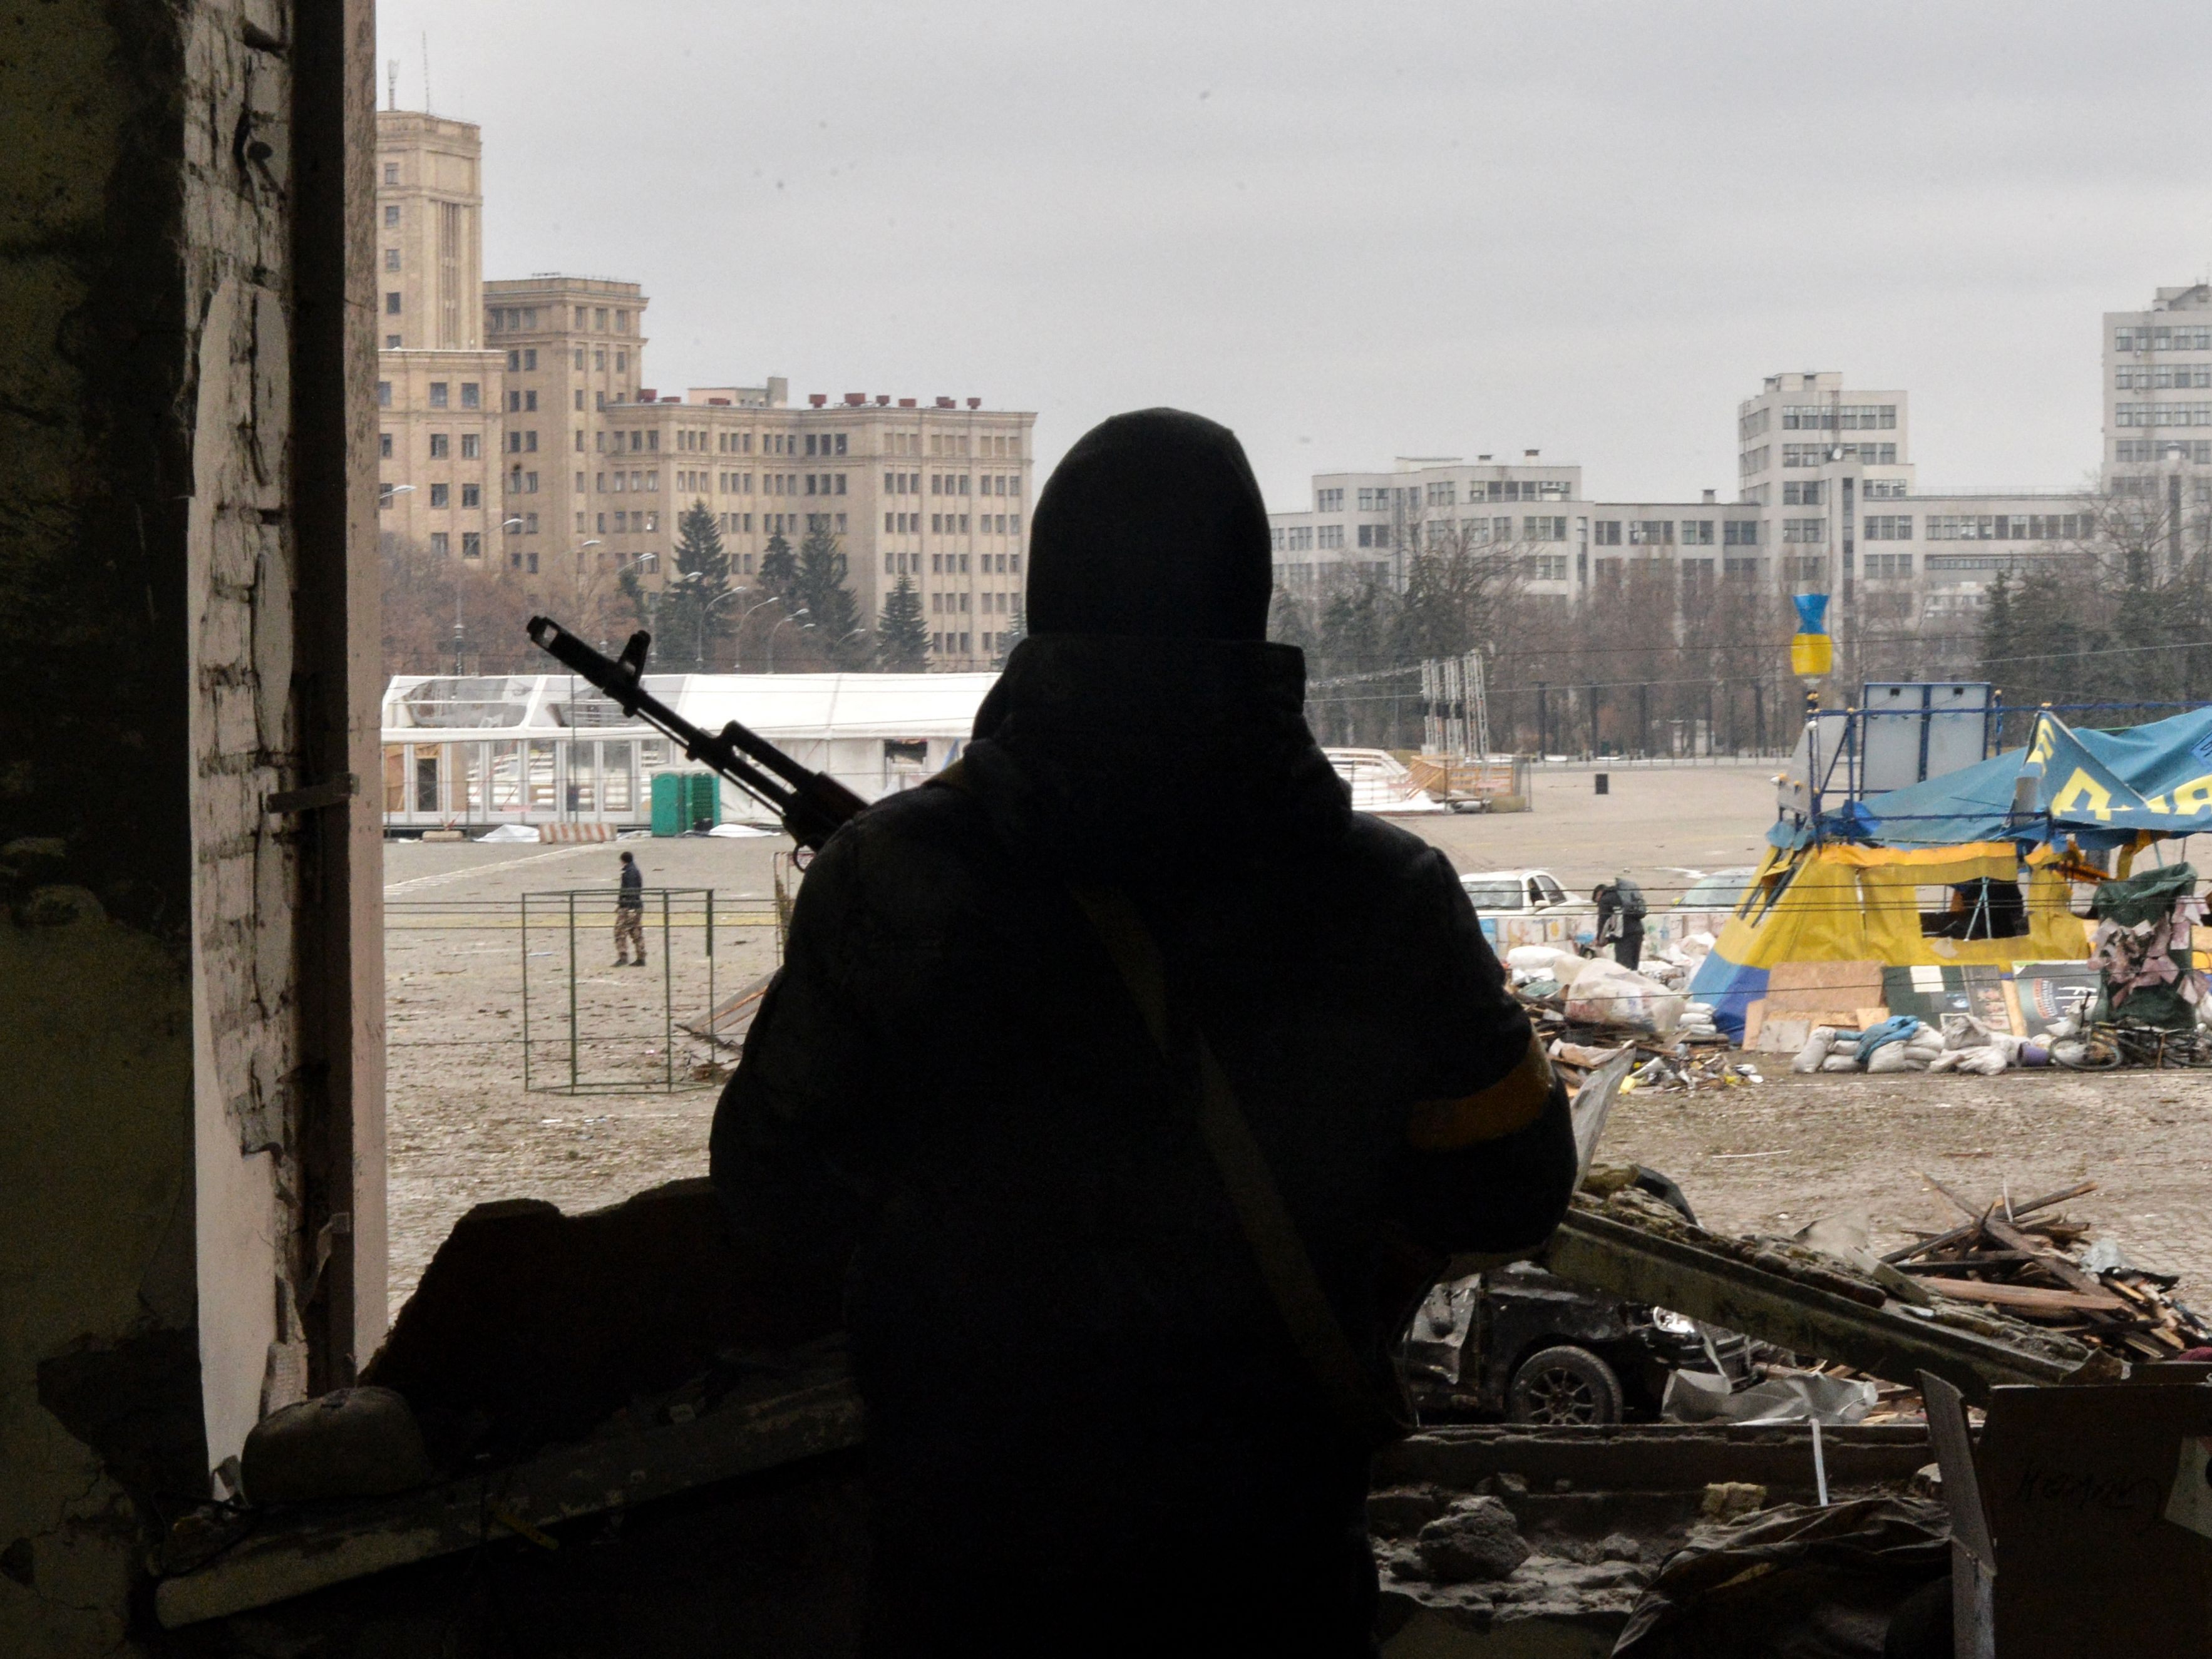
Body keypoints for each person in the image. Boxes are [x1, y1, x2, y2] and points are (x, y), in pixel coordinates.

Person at [712, 409, 1577, 1656]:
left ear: (1041, 600)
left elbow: (768, 1195)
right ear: (1249, 601)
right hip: (1268, 1568)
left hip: (968, 1573)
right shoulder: (1383, 894)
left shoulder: (891, 880)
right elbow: (1512, 1184)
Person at [1593, 876, 1646, 973]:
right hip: (1638, 934)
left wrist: (1600, 941)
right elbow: (1621, 925)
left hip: (1625, 938)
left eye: (1597, 901)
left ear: (1599, 894)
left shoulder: (1605, 900)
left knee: (1623, 971)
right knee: (1633, 969)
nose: (1598, 905)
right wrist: (1609, 940)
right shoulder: (1621, 895)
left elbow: (1603, 922)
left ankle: (1627, 987)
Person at [613, 849, 646, 967]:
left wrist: (624, 905)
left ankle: (623, 957)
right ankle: (641, 957)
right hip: (636, 905)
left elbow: (629, 890)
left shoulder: (629, 872)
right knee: (636, 932)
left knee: (620, 931)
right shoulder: (634, 871)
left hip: (629, 907)